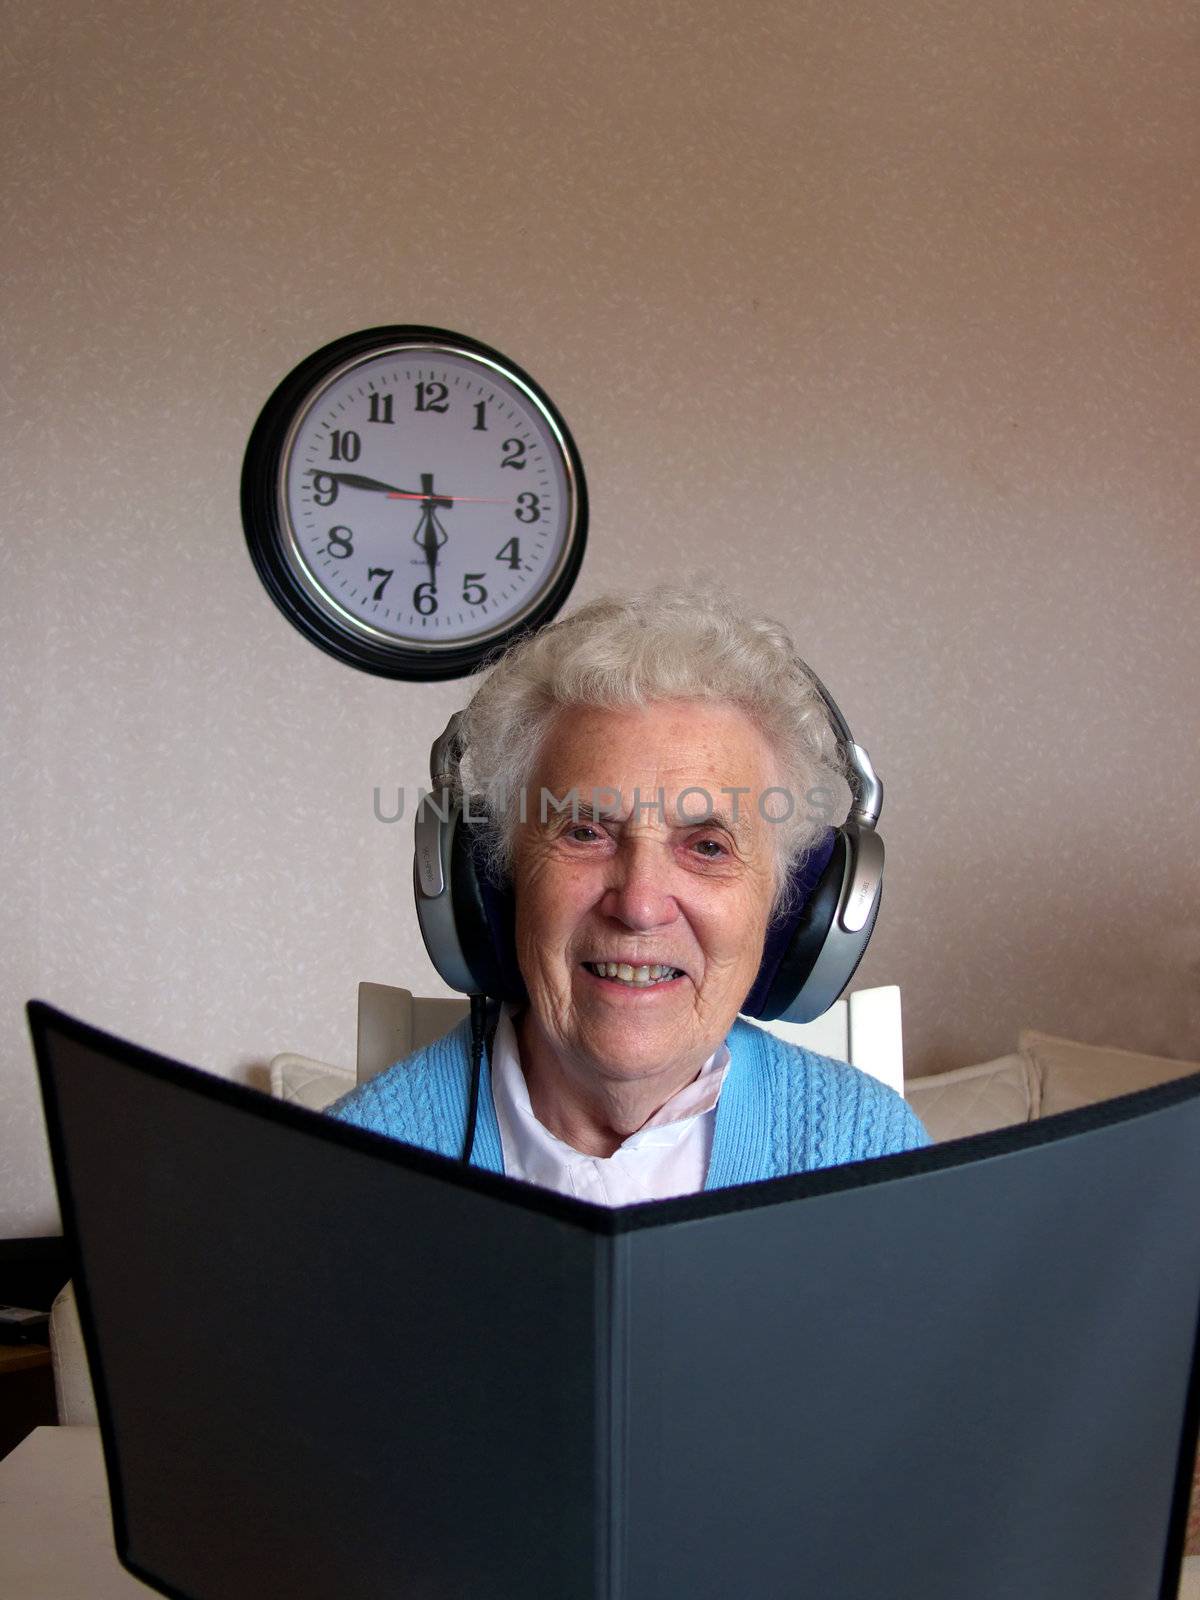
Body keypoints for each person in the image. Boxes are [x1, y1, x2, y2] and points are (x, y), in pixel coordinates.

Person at [328, 588, 929, 1201]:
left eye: (708, 847)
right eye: (585, 832)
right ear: (498, 878)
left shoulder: (872, 1153)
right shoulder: (347, 1169)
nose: (640, 906)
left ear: (785, 906)